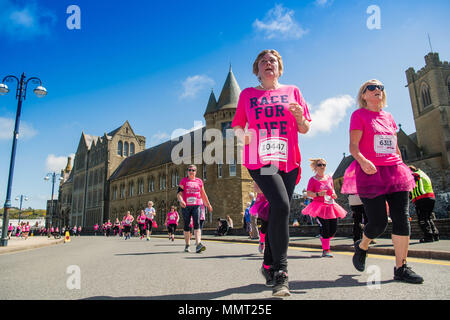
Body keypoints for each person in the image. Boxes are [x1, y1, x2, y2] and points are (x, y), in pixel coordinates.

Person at [232, 49, 311, 297]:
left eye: (273, 61)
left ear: (280, 68)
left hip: (288, 159)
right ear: (257, 70)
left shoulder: (292, 91)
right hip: (260, 158)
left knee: (279, 210)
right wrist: (242, 137)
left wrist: (300, 117)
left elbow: (305, 127)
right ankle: (281, 272)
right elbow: (237, 124)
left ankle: (267, 263)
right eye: (263, 62)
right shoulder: (247, 95)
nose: (269, 64)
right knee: (282, 206)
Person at [341, 79, 423, 284]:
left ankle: (401, 267)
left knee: (402, 218)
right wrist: (363, 161)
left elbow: (394, 147)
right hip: (371, 172)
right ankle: (363, 245)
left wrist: (402, 166)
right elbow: (353, 146)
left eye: (381, 87)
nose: (377, 90)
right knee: (377, 223)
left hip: (395, 171)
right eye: (372, 87)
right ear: (363, 95)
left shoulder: (389, 117)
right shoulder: (358, 115)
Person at [302, 158, 347, 257]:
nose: (322, 166)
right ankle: (326, 250)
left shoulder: (329, 178)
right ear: (315, 167)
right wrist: (318, 194)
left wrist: (334, 194)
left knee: (333, 229)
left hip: (331, 205)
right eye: (319, 165)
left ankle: (324, 239)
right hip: (319, 206)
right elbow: (309, 193)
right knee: (325, 228)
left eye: (324, 165)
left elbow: (332, 189)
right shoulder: (312, 180)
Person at [177, 164, 213, 253]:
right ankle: (187, 245)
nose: (191, 172)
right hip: (186, 206)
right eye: (189, 170)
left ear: (196, 172)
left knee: (197, 224)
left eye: (193, 170)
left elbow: (203, 194)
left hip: (196, 205)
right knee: (187, 225)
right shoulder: (184, 181)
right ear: (187, 171)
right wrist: (181, 201)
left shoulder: (199, 181)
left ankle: (198, 244)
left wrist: (208, 204)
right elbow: (179, 194)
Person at [408, 166, 439, 242]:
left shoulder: (414, 174)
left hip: (421, 198)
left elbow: (411, 185)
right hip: (430, 197)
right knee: (428, 217)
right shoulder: (423, 174)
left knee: (422, 219)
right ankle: (435, 235)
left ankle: (428, 236)